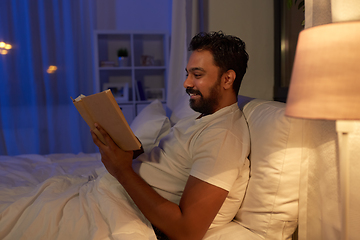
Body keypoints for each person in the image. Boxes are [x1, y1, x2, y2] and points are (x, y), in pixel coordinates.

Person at [91, 31, 250, 240]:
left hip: (123, 209)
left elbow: (187, 232)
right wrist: (131, 149)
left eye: (197, 75)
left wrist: (122, 171)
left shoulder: (223, 138)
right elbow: (168, 167)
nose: (186, 83)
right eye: (187, 74)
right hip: (111, 195)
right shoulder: (203, 117)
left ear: (227, 79)